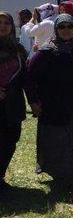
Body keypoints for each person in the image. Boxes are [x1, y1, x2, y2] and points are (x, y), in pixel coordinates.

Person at [26, 14, 73, 190]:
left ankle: (61, 171)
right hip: (53, 104)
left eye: (70, 26)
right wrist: (33, 102)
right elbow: (29, 77)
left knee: (71, 140)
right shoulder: (46, 51)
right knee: (58, 140)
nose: (66, 30)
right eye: (62, 27)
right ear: (56, 29)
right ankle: (69, 177)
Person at [0, 12, 29, 191]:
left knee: (10, 140)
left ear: (12, 27)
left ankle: (0, 177)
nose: (2, 26)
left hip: (13, 104)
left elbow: (26, 78)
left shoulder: (18, 50)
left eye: (6, 23)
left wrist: (34, 101)